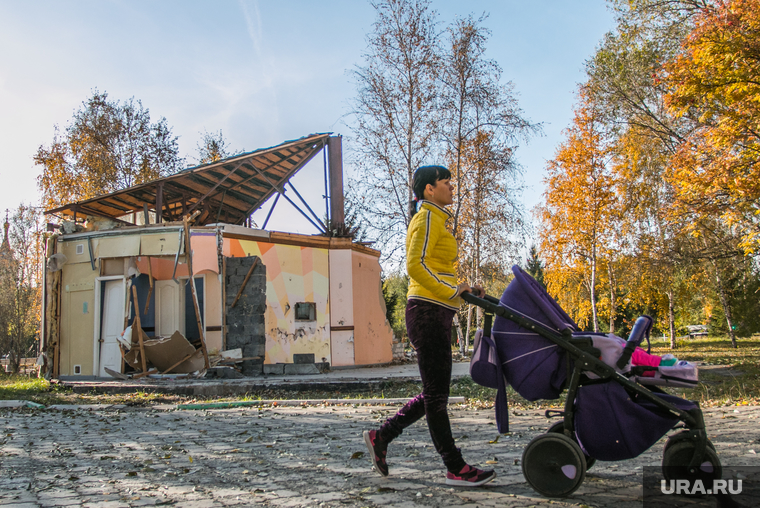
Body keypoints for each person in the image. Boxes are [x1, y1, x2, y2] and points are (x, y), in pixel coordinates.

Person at [363, 165, 496, 487]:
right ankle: (455, 467)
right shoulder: (426, 218)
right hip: (426, 312)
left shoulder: (437, 219)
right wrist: (452, 291)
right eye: (446, 183)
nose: (452, 188)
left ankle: (381, 436)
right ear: (429, 189)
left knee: (434, 393)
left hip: (436, 311)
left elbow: (436, 269)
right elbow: (414, 265)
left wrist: (463, 291)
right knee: (436, 395)